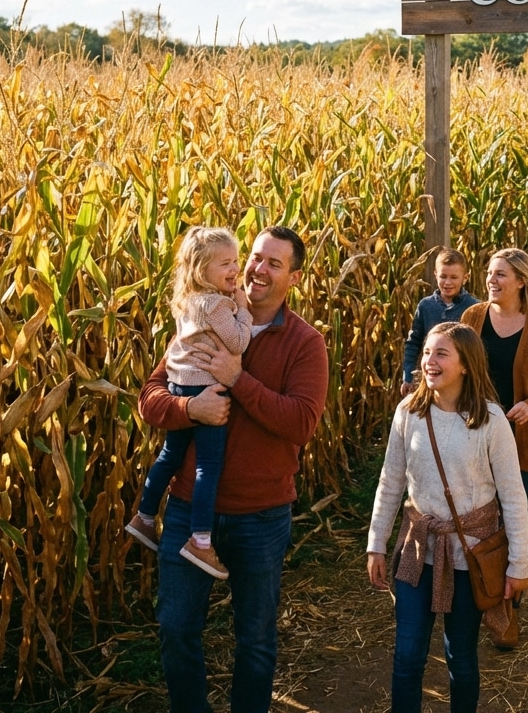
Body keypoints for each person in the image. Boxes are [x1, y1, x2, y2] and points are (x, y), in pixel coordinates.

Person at [138, 225, 329, 713]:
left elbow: (301, 423)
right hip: (186, 507)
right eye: (256, 258)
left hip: (260, 515)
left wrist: (237, 379)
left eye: (274, 264)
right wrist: (190, 411)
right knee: (176, 628)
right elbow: (152, 396)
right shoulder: (205, 315)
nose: (258, 270)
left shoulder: (305, 343)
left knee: (256, 639)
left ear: (295, 277)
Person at [367, 322, 528, 713]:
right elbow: (390, 480)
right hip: (417, 550)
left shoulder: (490, 421)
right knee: (407, 656)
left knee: (460, 656)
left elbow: (512, 496)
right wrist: (376, 543)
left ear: (466, 366)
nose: (429, 361)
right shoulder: (408, 412)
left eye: (441, 354)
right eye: (426, 352)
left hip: (469, 557)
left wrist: (519, 564)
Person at [126, 226, 253, 579]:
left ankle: (145, 516)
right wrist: (243, 311)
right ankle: (199, 541)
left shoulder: (188, 302)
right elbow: (238, 342)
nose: (235, 269)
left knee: (169, 455)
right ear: (201, 271)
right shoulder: (215, 305)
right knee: (207, 467)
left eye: (236, 261)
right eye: (226, 263)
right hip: (206, 392)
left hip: (179, 386)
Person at [459, 248, 528, 514]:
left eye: (500, 274)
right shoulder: (471, 318)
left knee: (515, 517)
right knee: (478, 517)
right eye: (489, 274)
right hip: (476, 431)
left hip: (523, 437)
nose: (491, 280)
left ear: (521, 281)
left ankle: (519, 556)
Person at [402, 248, 478, 396]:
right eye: (443, 276)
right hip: (430, 379)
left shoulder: (474, 308)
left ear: (465, 277)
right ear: (435, 275)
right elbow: (413, 343)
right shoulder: (425, 306)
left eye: (454, 277)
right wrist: (408, 376)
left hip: (463, 384)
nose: (448, 282)